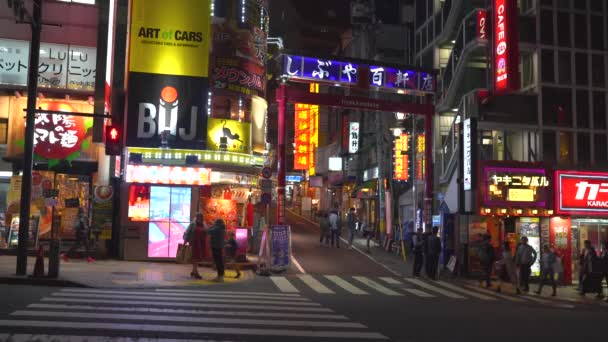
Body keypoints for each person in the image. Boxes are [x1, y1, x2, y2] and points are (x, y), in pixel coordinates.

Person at [184, 212, 206, 279]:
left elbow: (206, 232)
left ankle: (193, 271)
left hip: (201, 243)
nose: (200, 218)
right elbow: (187, 232)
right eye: (198, 217)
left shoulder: (204, 224)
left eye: (201, 217)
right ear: (196, 217)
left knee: (196, 258)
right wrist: (185, 240)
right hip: (194, 242)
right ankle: (196, 272)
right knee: (195, 258)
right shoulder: (193, 224)